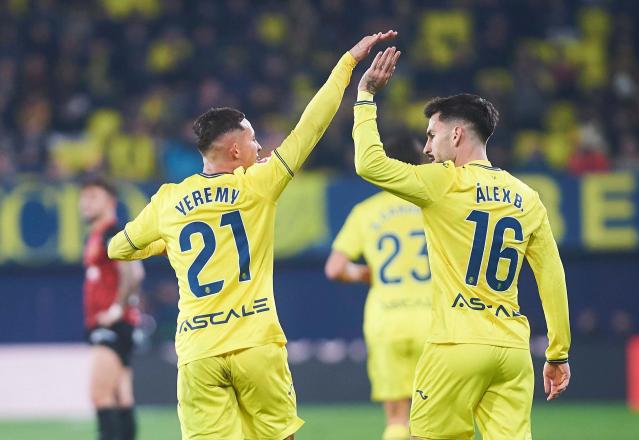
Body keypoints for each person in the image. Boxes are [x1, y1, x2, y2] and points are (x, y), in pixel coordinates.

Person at [107, 31, 397, 440]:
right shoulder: (259, 184)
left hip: (197, 353)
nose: (261, 147)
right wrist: (347, 63)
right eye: (253, 139)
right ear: (236, 153)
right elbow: (310, 127)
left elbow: (118, 248)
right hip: (255, 345)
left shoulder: (168, 201)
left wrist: (167, 243)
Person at [352, 47, 571, 440]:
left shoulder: (442, 182)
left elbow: (369, 163)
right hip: (512, 351)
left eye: (432, 136)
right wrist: (558, 353)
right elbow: (551, 277)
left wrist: (366, 96)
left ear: (456, 134)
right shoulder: (527, 197)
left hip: (454, 345)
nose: (427, 148)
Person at [325, 133, 432, 440]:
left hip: (385, 320)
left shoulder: (366, 211)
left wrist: (365, 274)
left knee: (396, 417)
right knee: (433, 418)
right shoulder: (434, 205)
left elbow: (334, 268)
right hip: (432, 320)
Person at [79, 177, 144, 440]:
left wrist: (117, 308)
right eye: (83, 198)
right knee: (121, 395)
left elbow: (134, 273)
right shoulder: (98, 234)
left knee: (100, 394)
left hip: (113, 324)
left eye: (93, 197)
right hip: (116, 324)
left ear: (110, 202)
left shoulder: (110, 232)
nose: (85, 203)